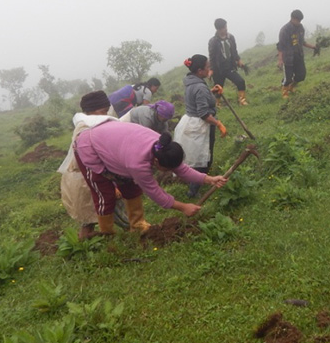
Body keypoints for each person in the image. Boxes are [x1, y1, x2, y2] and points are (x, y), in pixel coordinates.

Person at [74, 121, 228, 234]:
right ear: (156, 162)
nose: (169, 172)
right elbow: (155, 192)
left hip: (114, 145)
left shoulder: (162, 146)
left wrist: (209, 179)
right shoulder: (138, 165)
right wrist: (183, 207)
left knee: (131, 189)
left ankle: (137, 226)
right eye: (167, 170)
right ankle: (108, 235)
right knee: (105, 195)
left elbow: (182, 169)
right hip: (90, 147)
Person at [57, 91, 130, 239]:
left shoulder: (90, 123)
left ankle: (93, 240)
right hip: (85, 177)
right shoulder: (85, 128)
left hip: (85, 176)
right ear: (91, 111)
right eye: (103, 111)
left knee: (92, 216)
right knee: (103, 209)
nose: (105, 114)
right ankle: (131, 229)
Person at [173, 55, 227, 198]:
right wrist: (219, 123)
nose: (209, 69)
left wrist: (212, 92)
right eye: (207, 67)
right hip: (200, 125)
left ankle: (195, 183)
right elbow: (204, 113)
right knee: (204, 159)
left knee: (198, 156)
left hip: (190, 121)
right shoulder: (199, 87)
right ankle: (193, 191)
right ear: (199, 70)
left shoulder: (191, 81)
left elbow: (199, 98)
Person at [208, 18, 248, 105]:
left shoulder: (231, 38)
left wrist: (238, 60)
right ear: (218, 29)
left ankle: (242, 101)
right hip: (218, 69)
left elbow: (234, 51)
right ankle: (217, 104)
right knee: (218, 87)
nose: (225, 29)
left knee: (240, 81)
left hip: (229, 66)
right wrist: (211, 69)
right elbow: (212, 56)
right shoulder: (213, 41)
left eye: (226, 26)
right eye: (223, 28)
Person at [277, 9, 315, 98]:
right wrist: (280, 60)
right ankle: (284, 92)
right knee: (288, 78)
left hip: (298, 55)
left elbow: (302, 42)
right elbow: (280, 46)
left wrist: (313, 46)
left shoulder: (301, 28)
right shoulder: (285, 30)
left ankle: (291, 87)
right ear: (292, 18)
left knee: (301, 75)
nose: (299, 22)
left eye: (300, 21)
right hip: (288, 58)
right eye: (298, 20)